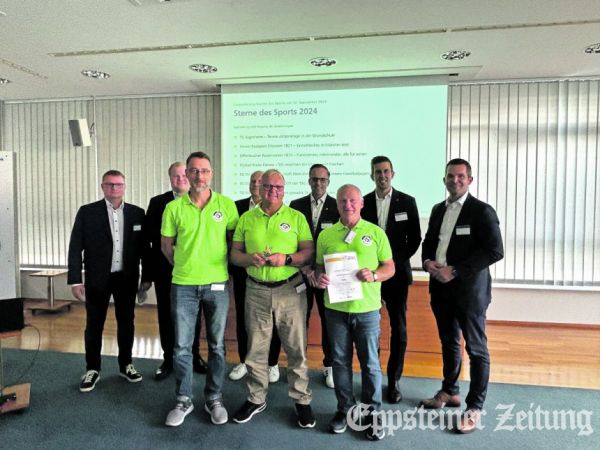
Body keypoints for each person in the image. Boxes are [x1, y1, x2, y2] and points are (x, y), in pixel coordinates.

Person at [420, 158, 504, 434]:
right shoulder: (437, 209)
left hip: (469, 292)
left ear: (469, 180)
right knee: (448, 343)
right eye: (450, 176)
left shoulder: (482, 211)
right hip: (441, 290)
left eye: (460, 176)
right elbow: (430, 243)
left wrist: (455, 270)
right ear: (444, 179)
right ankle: (450, 391)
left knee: (476, 349)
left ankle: (474, 407)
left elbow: (495, 250)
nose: (454, 181)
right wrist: (427, 262)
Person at [230, 169, 315, 428]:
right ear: (259, 188)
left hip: (290, 289)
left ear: (284, 189)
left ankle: (301, 400)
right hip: (255, 289)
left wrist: (286, 259)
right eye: (267, 186)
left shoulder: (296, 217)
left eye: (278, 187)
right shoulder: (246, 218)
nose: (272, 191)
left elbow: (308, 252)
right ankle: (256, 398)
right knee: (256, 347)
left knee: (295, 347)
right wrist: (249, 259)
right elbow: (234, 255)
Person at [161, 152, 238, 427]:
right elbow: (166, 245)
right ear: (187, 174)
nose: (199, 176)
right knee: (182, 346)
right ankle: (183, 399)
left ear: (212, 174)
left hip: (217, 285)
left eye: (204, 171)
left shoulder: (227, 206)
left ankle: (214, 397)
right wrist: (186, 264)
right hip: (183, 284)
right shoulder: (174, 208)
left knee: (217, 346)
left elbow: (233, 243)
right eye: (193, 171)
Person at [315, 184, 394, 441]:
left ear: (361, 204)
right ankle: (345, 409)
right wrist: (320, 278)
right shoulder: (326, 236)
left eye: (352, 201)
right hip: (335, 310)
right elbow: (317, 268)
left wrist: (374, 275)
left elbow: (390, 267)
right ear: (336, 205)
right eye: (342, 201)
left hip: (368, 310)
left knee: (370, 364)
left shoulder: (375, 232)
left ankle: (373, 413)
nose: (347, 205)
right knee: (339, 362)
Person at [68, 169, 150, 393]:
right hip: (97, 279)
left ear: (124, 187)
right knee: (94, 324)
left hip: (126, 278)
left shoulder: (137, 214)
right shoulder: (87, 212)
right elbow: (75, 246)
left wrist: (147, 278)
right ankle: (92, 368)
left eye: (119, 184)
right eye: (110, 184)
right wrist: (75, 280)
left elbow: (144, 249)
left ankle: (126, 364)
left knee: (127, 322)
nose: (114, 188)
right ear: (103, 187)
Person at [362, 155, 421, 403]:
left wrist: (392, 263)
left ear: (392, 174)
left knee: (399, 328)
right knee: (370, 329)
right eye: (377, 172)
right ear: (372, 175)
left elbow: (415, 238)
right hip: (370, 277)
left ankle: (394, 380)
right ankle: (373, 378)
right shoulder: (363, 203)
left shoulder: (407, 202)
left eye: (386, 171)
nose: (382, 176)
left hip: (396, 276)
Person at [144, 162, 207, 381]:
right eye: (175, 176)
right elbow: (151, 242)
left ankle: (194, 356)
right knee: (166, 315)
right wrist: (148, 277)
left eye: (183, 175)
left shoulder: (202, 202)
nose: (180, 179)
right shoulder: (158, 203)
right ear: (170, 178)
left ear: (190, 176)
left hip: (194, 272)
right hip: (165, 272)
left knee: (194, 316)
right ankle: (168, 359)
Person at [228, 171, 283, 383]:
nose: (257, 185)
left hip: (273, 276)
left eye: (261, 182)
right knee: (244, 318)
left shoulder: (282, 211)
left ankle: (272, 363)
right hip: (244, 273)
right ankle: (244, 360)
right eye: (253, 181)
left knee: (273, 320)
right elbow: (231, 241)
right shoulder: (237, 207)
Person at [289, 164, 339, 388]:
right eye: (314, 179)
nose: (318, 183)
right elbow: (290, 241)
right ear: (309, 181)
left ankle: (329, 366)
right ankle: (300, 366)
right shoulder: (296, 206)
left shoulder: (338, 206)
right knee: (299, 322)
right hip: (302, 275)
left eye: (322, 179)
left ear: (328, 181)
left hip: (328, 278)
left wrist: (321, 272)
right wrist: (306, 270)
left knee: (330, 323)